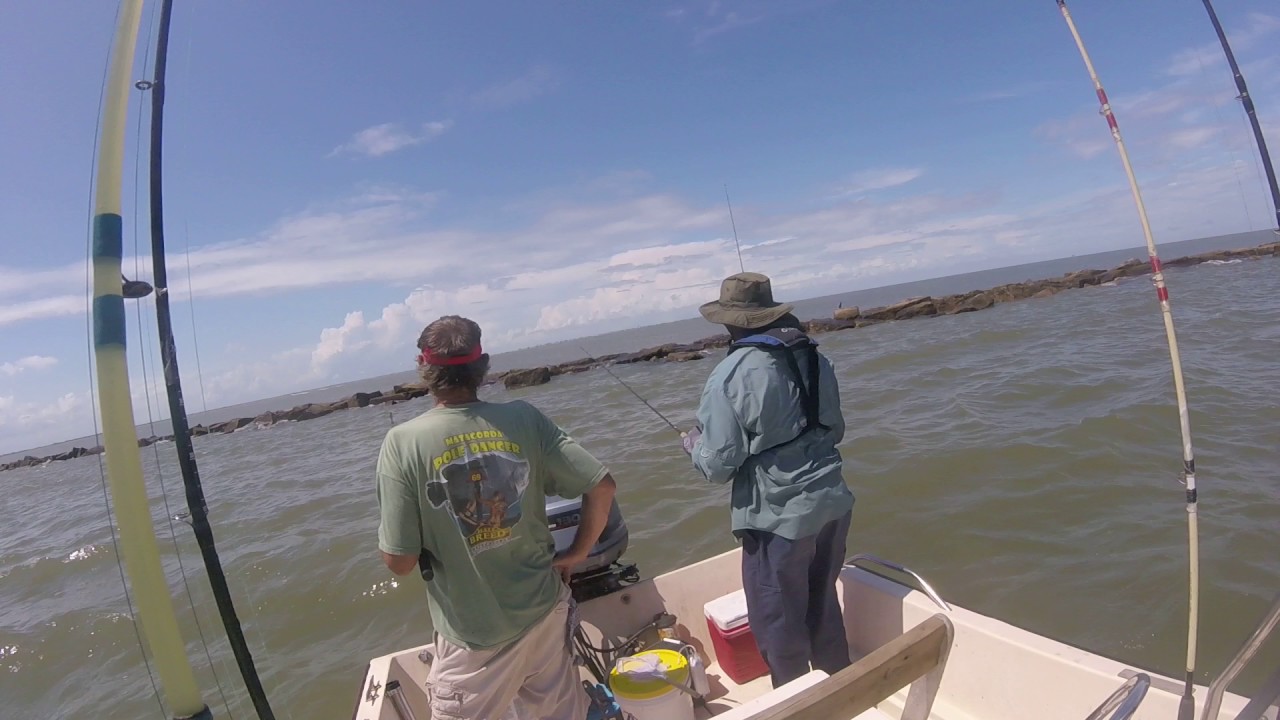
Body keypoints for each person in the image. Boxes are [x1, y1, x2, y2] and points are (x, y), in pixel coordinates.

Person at [376, 315, 617, 720]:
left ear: (424, 371)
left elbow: (399, 562)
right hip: (544, 613)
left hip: (474, 640)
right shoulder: (525, 418)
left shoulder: (402, 443)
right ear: (482, 365)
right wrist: (576, 553)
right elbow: (603, 486)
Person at [683, 272, 854, 688]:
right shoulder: (815, 357)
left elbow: (718, 465)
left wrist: (693, 446)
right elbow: (834, 430)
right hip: (833, 502)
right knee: (823, 603)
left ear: (729, 323)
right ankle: (845, 693)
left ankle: (797, 706)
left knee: (778, 622)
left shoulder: (729, 376)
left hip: (777, 518)